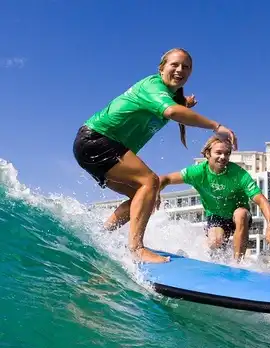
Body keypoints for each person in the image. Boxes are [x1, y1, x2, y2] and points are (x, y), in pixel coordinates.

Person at [72, 48, 237, 264]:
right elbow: (171, 111)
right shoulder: (152, 86)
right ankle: (137, 249)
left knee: (143, 198)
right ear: (161, 69)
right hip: (97, 139)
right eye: (174, 65)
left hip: (96, 145)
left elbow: (176, 106)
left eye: (186, 67)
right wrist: (216, 126)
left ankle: (101, 236)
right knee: (150, 182)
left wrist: (185, 102)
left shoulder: (169, 95)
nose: (180, 70)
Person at [157, 135, 270, 261]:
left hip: (238, 216)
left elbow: (261, 200)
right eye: (218, 153)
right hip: (216, 216)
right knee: (215, 242)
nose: (223, 157)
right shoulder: (198, 172)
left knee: (241, 214)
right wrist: (156, 192)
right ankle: (218, 260)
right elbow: (165, 179)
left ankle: (238, 263)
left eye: (227, 154)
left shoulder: (238, 173)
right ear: (207, 154)